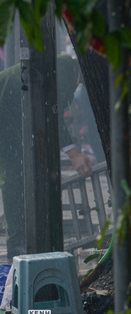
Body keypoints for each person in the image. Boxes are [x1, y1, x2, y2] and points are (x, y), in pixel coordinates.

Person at [0, 54, 93, 258]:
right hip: (6, 116)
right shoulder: (62, 69)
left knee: (18, 175)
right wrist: (74, 154)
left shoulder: (65, 68)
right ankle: (18, 248)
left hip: (12, 119)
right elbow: (52, 112)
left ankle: (24, 243)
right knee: (14, 177)